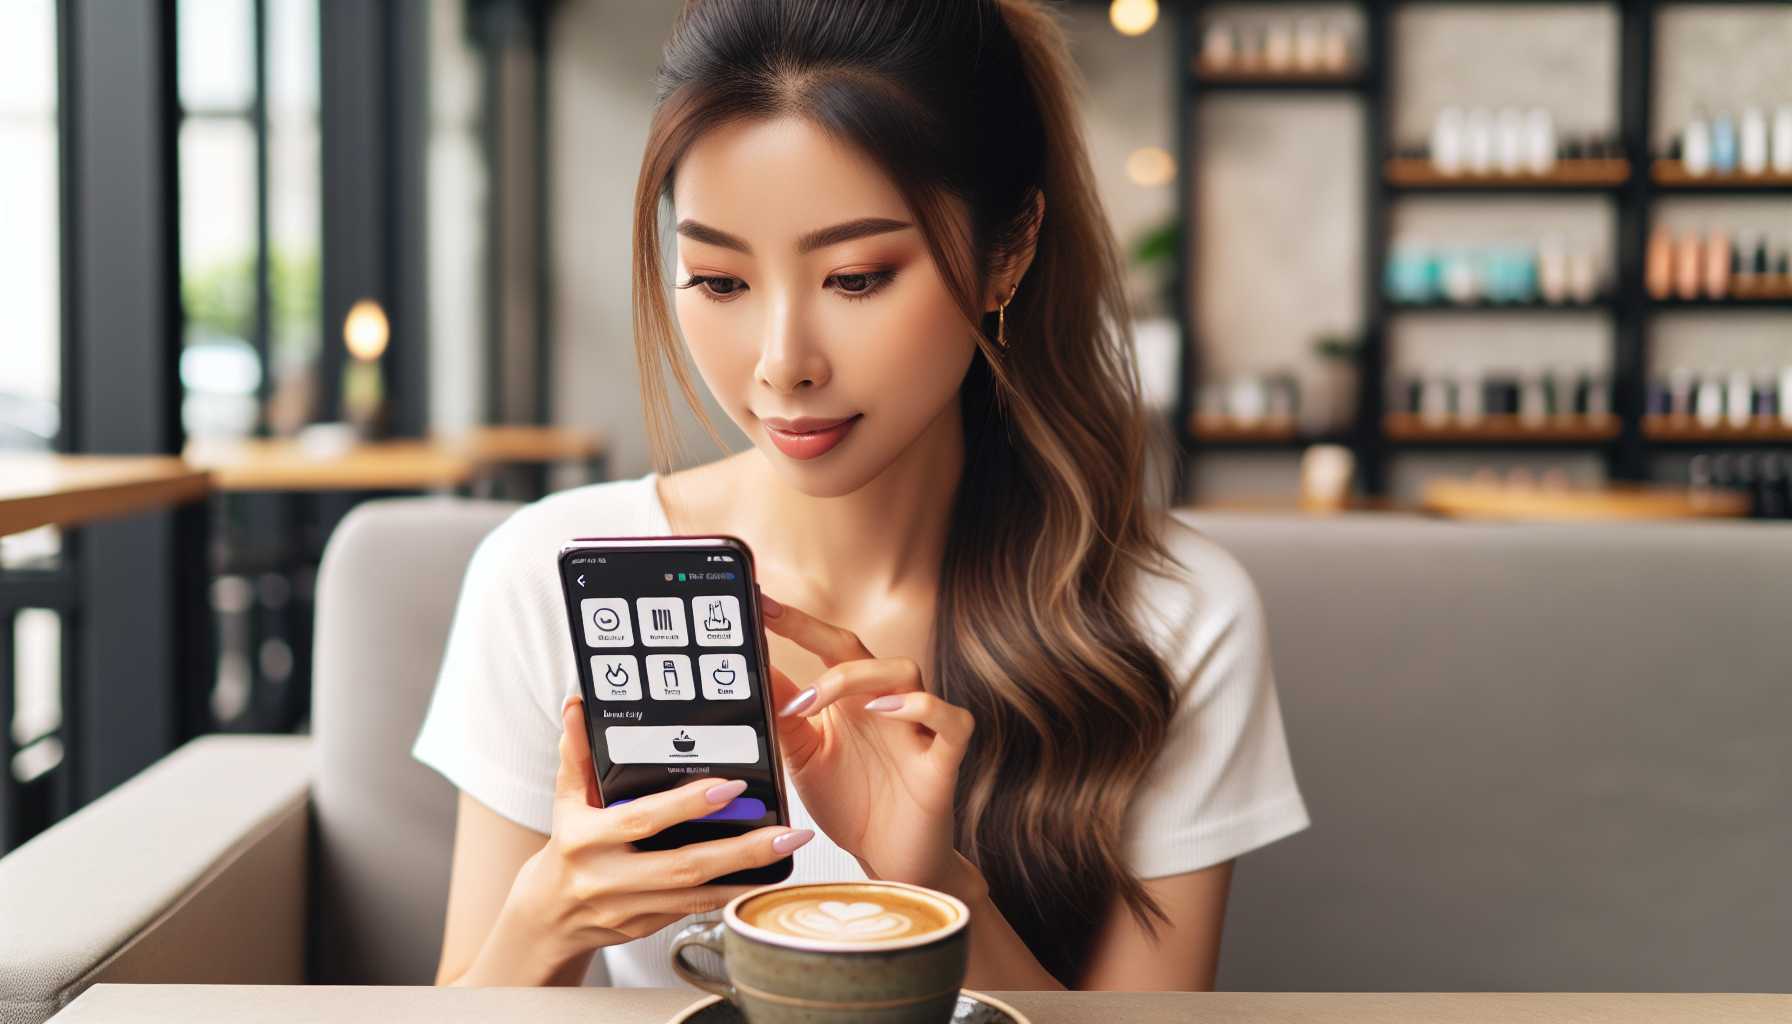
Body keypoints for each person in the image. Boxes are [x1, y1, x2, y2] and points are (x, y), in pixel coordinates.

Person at [413, 0, 1309, 992]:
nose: (780, 363)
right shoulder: (546, 572)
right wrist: (549, 920)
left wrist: (931, 881)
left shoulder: (1170, 616)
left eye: (853, 277)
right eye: (717, 281)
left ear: (1006, 254)